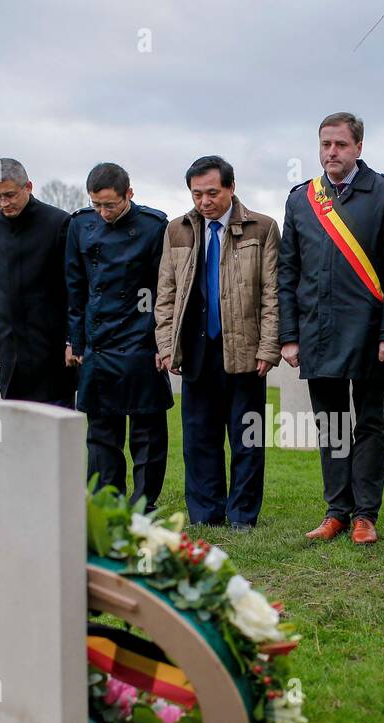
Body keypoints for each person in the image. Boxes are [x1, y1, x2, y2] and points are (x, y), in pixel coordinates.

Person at [278, 111, 384, 545]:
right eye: (324, 144)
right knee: (332, 424)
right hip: (318, 332)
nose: (331, 152)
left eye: (340, 144)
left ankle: (366, 515)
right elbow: (288, 272)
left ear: (358, 147)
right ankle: (337, 510)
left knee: (370, 423)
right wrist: (289, 335)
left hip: (373, 334)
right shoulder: (302, 199)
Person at [155, 156, 280, 529]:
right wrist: (166, 347)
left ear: (231, 187)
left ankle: (242, 516)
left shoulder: (263, 228)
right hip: (195, 351)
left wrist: (268, 347)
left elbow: (272, 293)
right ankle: (206, 515)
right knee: (198, 440)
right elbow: (165, 294)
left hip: (245, 350)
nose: (204, 201)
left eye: (212, 193)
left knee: (247, 439)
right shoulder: (177, 230)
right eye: (197, 194)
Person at [66, 162, 171, 508]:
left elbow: (163, 289)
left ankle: (144, 504)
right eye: (96, 205)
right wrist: (75, 341)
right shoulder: (80, 225)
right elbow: (75, 286)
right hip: (98, 344)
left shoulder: (154, 226)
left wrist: (161, 341)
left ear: (129, 194)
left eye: (109, 204)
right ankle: (106, 504)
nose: (103, 212)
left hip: (142, 342)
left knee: (147, 435)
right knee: (100, 436)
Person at [0, 158, 75, 404]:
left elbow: (72, 286)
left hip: (51, 346)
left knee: (55, 428)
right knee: (15, 429)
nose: (3, 203)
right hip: (9, 345)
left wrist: (72, 340)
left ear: (28, 186)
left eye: (9, 195)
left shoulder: (58, 222)